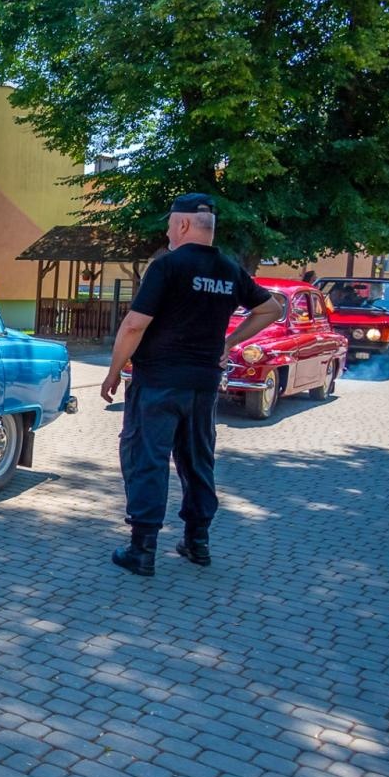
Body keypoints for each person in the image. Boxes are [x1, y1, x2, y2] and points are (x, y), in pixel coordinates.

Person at [99, 194, 283, 576]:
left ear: (183, 225)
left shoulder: (168, 266)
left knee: (147, 458)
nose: (167, 230)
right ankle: (197, 542)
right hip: (203, 384)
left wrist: (114, 370)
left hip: (158, 382)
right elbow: (271, 308)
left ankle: (142, 549)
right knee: (198, 461)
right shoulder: (229, 269)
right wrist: (228, 344)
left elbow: (134, 324)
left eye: (169, 223)